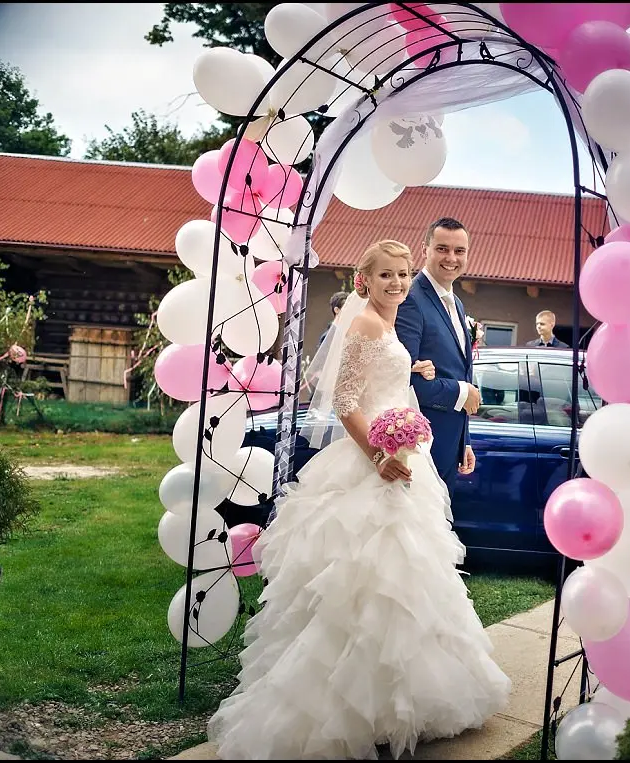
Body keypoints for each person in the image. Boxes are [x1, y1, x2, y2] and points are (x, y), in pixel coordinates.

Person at [207, 240, 511, 760]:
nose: (398, 283)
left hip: (402, 456)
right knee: (366, 584)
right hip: (372, 462)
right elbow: (346, 402)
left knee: (407, 581)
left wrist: (413, 375)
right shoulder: (367, 323)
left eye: (403, 274)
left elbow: (380, 382)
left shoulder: (387, 324)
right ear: (363, 280)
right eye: (386, 275)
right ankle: (346, 707)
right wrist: (378, 456)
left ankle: (396, 701)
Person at [395, 217, 479, 498]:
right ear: (425, 249)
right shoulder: (410, 299)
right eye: (442, 249)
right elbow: (402, 378)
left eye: (459, 251)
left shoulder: (457, 302)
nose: (451, 258)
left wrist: (464, 441)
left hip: (449, 444)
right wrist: (461, 391)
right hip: (418, 445)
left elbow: (459, 369)